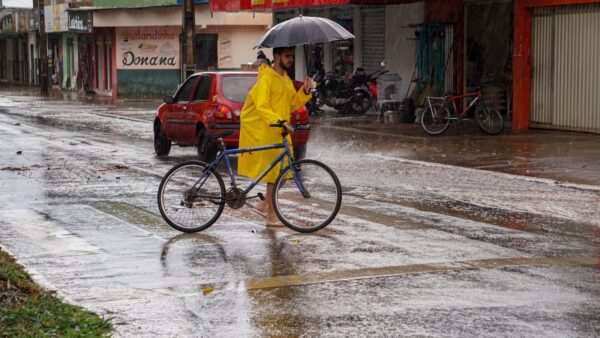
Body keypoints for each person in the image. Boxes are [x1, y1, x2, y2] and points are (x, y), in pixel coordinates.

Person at [238, 46, 312, 226]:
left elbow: (292, 103)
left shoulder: (285, 79)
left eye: (292, 57)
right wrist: (280, 121)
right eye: (287, 56)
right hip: (268, 130)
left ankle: (265, 204)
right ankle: (271, 215)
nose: (291, 60)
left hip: (281, 131)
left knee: (284, 173)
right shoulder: (267, 78)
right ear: (277, 56)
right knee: (275, 174)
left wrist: (305, 91)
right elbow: (262, 105)